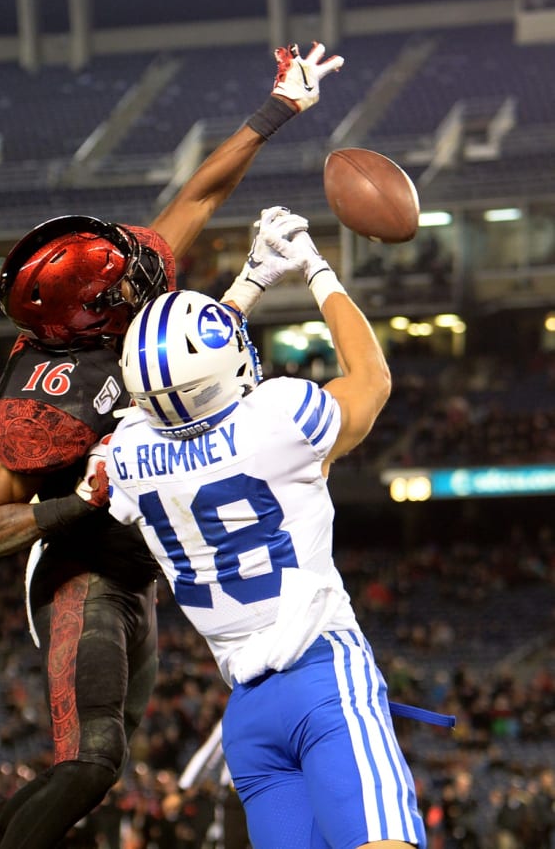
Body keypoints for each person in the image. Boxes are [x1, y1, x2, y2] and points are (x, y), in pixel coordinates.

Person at [0, 42, 344, 849]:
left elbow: (198, 195)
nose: (142, 273)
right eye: (120, 284)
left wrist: (278, 108)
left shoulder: (112, 322)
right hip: (82, 570)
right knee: (89, 760)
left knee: (110, 761)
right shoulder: (45, 403)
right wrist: (78, 500)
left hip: (139, 571)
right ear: (85, 318)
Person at [102, 218, 428, 849]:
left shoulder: (125, 455)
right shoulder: (280, 418)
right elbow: (371, 381)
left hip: (247, 717)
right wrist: (316, 270)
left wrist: (248, 285)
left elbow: (179, 380)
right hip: (321, 674)